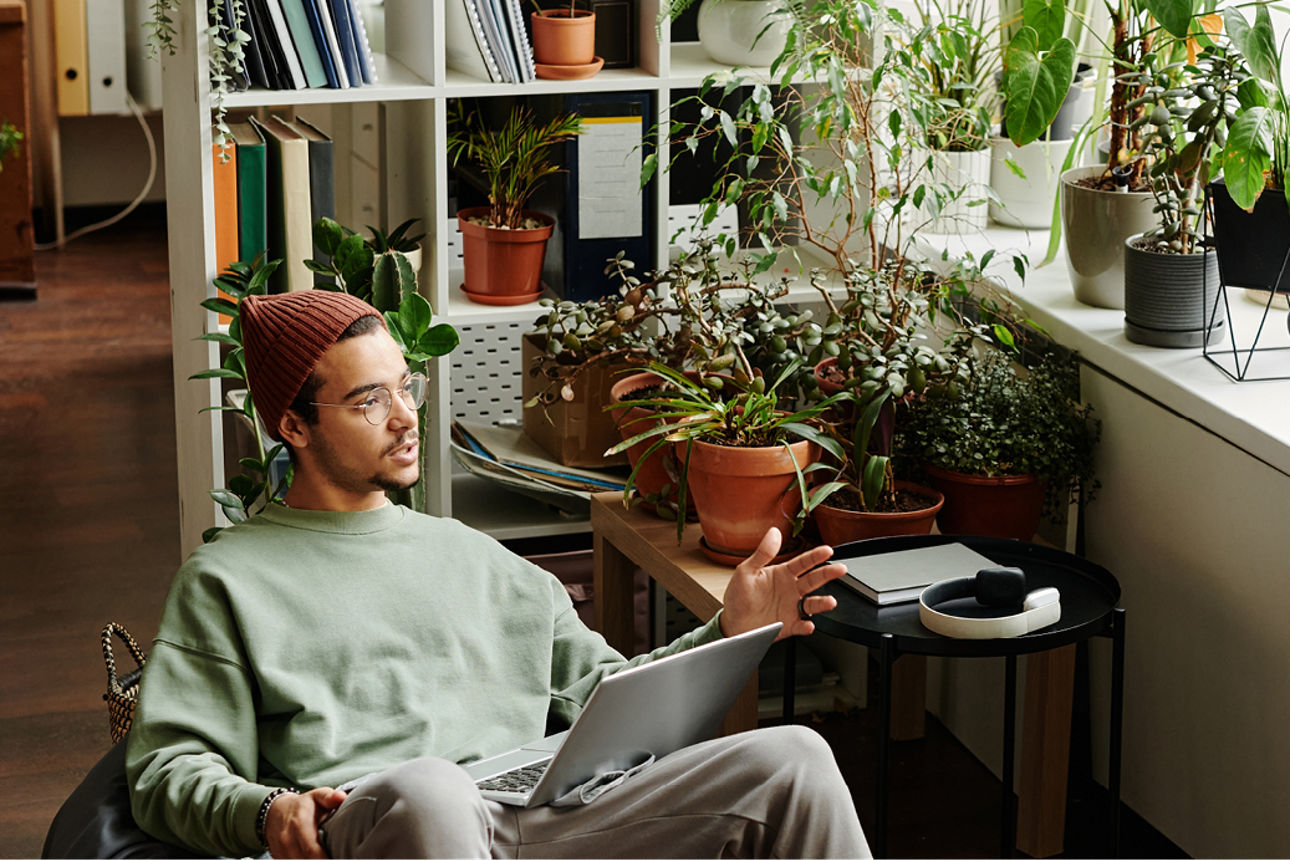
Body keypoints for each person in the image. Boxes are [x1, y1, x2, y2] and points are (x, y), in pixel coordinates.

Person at [126, 291, 870, 859]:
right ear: (293, 427)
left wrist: (729, 631)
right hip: (390, 822)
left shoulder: (475, 556)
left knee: (794, 757)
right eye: (369, 400)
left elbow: (611, 700)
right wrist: (266, 811)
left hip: (539, 816)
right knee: (433, 788)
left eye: (404, 387)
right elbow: (165, 769)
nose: (404, 417)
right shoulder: (229, 580)